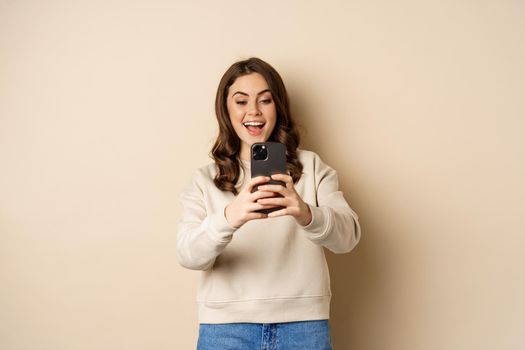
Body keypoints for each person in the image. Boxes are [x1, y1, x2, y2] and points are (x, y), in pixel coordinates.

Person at [176, 57, 361, 349]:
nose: (253, 112)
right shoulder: (205, 179)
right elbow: (188, 255)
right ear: (225, 109)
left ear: (279, 107)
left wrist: (306, 213)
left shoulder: (311, 167)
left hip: (304, 326)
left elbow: (348, 237)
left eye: (265, 100)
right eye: (241, 101)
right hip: (225, 330)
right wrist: (229, 216)